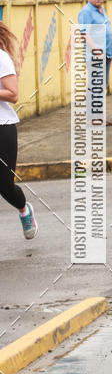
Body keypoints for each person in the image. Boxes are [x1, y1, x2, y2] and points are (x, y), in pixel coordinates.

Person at [0, 22, 37, 238]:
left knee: (4, 185)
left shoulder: (1, 58)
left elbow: (13, 94)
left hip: (2, 128)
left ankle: (24, 210)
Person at [78, 0, 112, 125]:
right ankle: (92, 118)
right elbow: (84, 33)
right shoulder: (86, 12)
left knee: (101, 86)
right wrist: (96, 50)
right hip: (95, 56)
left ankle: (99, 117)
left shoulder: (101, 10)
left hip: (106, 54)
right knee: (95, 86)